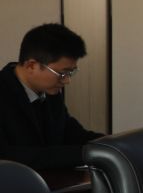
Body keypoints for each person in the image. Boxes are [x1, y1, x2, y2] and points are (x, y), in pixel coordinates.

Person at [0, 23, 102, 170]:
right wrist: (84, 154)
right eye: (62, 73)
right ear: (31, 66)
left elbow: (71, 134)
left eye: (71, 72)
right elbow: (9, 157)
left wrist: (113, 144)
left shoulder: (50, 91)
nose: (67, 81)